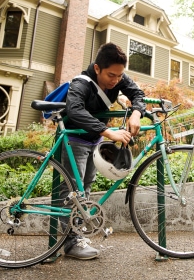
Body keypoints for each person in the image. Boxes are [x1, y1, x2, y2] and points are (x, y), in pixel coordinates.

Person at [59, 42, 146, 260]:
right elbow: (75, 110)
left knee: (85, 188)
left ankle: (78, 233)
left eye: (119, 75)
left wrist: (136, 112)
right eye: (111, 75)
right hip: (74, 139)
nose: (116, 80)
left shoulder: (118, 76)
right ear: (97, 68)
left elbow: (138, 93)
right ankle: (69, 243)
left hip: (93, 140)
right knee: (72, 192)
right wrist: (108, 132)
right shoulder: (81, 83)